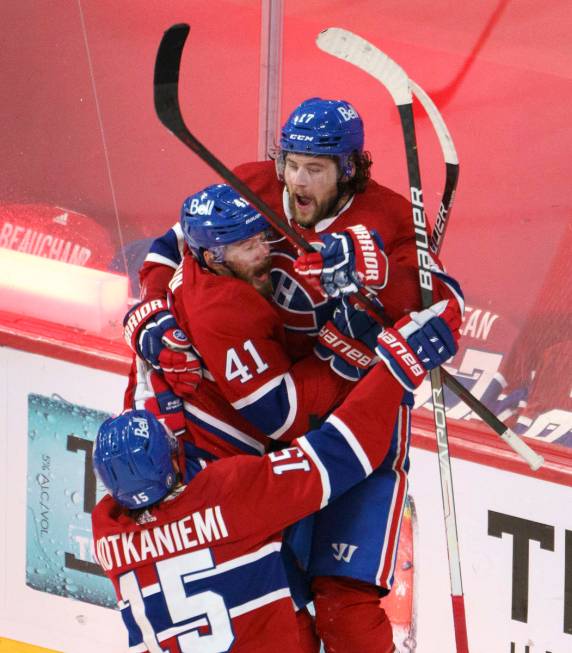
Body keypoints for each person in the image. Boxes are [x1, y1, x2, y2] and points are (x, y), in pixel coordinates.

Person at [122, 99, 464, 651]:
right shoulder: (250, 186)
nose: (297, 182)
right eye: (292, 164)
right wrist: (153, 308)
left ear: (349, 168)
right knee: (273, 595)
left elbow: (447, 306)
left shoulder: (392, 217)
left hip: (360, 417)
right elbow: (172, 246)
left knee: (344, 605)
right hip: (273, 427)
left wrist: (382, 278)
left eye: (316, 168)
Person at [92, 297, 461, 653]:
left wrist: (141, 323)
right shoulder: (227, 496)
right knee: (346, 617)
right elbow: (342, 453)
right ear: (173, 462)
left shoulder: (107, 533)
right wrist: (398, 367)